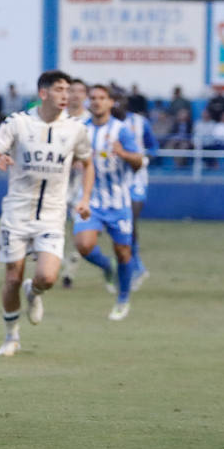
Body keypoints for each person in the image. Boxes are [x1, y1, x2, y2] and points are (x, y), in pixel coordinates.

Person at [0, 69, 92, 357]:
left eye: (67, 89)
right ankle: (11, 336)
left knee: (47, 277)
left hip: (53, 215)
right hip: (17, 213)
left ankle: (35, 292)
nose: (65, 95)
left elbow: (88, 162)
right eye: (59, 89)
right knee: (12, 278)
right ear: (43, 93)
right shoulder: (18, 123)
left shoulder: (76, 129)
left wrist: (85, 198)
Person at [73, 84, 144, 321]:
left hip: (118, 201)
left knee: (124, 252)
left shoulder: (121, 131)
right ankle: (106, 266)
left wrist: (124, 154)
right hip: (90, 199)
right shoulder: (82, 130)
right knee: (83, 245)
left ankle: (123, 299)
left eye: (102, 98)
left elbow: (139, 161)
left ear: (111, 102)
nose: (96, 102)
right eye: (93, 98)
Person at [123, 96, 158, 291]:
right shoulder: (106, 124)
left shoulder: (140, 122)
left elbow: (153, 147)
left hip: (136, 179)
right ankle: (133, 267)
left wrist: (142, 159)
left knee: (130, 222)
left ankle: (136, 268)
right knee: (121, 227)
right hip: (114, 182)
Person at [59, 77, 91, 289]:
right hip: (58, 182)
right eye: (72, 91)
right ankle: (57, 265)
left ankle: (70, 269)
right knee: (54, 227)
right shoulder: (59, 119)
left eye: (80, 91)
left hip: (81, 185)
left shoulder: (90, 121)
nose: (75, 95)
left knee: (80, 233)